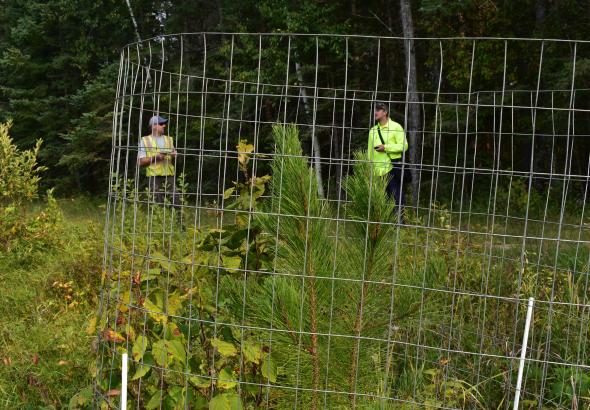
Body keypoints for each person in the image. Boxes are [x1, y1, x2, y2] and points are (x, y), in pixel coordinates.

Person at [368, 102, 409, 208]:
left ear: (385, 112)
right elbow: (370, 153)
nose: (375, 112)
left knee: (397, 200)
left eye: (378, 110)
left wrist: (386, 147)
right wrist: (369, 170)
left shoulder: (396, 127)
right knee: (381, 203)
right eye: (374, 110)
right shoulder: (372, 131)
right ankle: (384, 224)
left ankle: (400, 223)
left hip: (392, 169)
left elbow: (404, 146)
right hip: (377, 173)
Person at [138, 115, 179, 204]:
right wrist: (155, 158)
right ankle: (159, 218)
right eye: (161, 124)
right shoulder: (144, 140)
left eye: (164, 124)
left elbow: (173, 153)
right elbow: (141, 162)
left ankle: (178, 218)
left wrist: (174, 155)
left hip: (169, 175)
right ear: (153, 126)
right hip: (154, 177)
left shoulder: (169, 139)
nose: (164, 125)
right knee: (157, 204)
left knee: (176, 202)